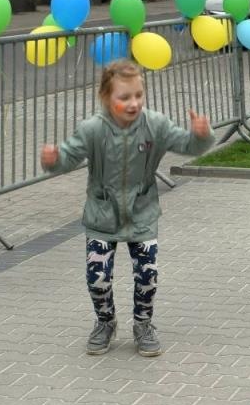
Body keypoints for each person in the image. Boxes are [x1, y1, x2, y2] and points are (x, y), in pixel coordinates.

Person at [40, 60, 213, 357]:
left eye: (138, 95)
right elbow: (68, 157)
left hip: (142, 212)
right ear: (106, 98)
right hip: (102, 214)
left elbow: (189, 146)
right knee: (98, 278)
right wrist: (53, 159)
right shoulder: (93, 129)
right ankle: (105, 322)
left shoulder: (154, 124)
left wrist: (200, 135)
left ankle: (143, 324)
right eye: (124, 97)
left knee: (147, 275)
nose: (133, 103)